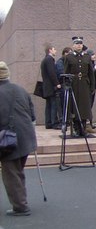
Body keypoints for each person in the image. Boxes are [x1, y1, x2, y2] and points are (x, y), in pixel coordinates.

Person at [0, 62, 37, 216]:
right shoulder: (20, 89)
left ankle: (21, 207)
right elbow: (32, 115)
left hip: (8, 140)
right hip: (27, 137)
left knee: (11, 173)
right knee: (17, 170)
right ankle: (21, 201)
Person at [63, 36, 95, 137]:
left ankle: (83, 129)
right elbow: (66, 72)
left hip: (84, 85)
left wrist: (92, 86)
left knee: (84, 108)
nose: (79, 45)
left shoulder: (87, 57)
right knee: (75, 107)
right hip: (74, 85)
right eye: (77, 44)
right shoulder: (69, 57)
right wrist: (66, 86)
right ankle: (76, 128)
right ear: (73, 45)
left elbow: (91, 73)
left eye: (80, 44)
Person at [40, 43, 61, 129]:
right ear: (50, 50)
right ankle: (54, 123)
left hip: (47, 86)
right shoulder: (49, 59)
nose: (55, 50)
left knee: (49, 105)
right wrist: (57, 83)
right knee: (54, 104)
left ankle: (48, 123)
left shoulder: (45, 60)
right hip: (51, 86)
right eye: (54, 49)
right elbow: (52, 73)